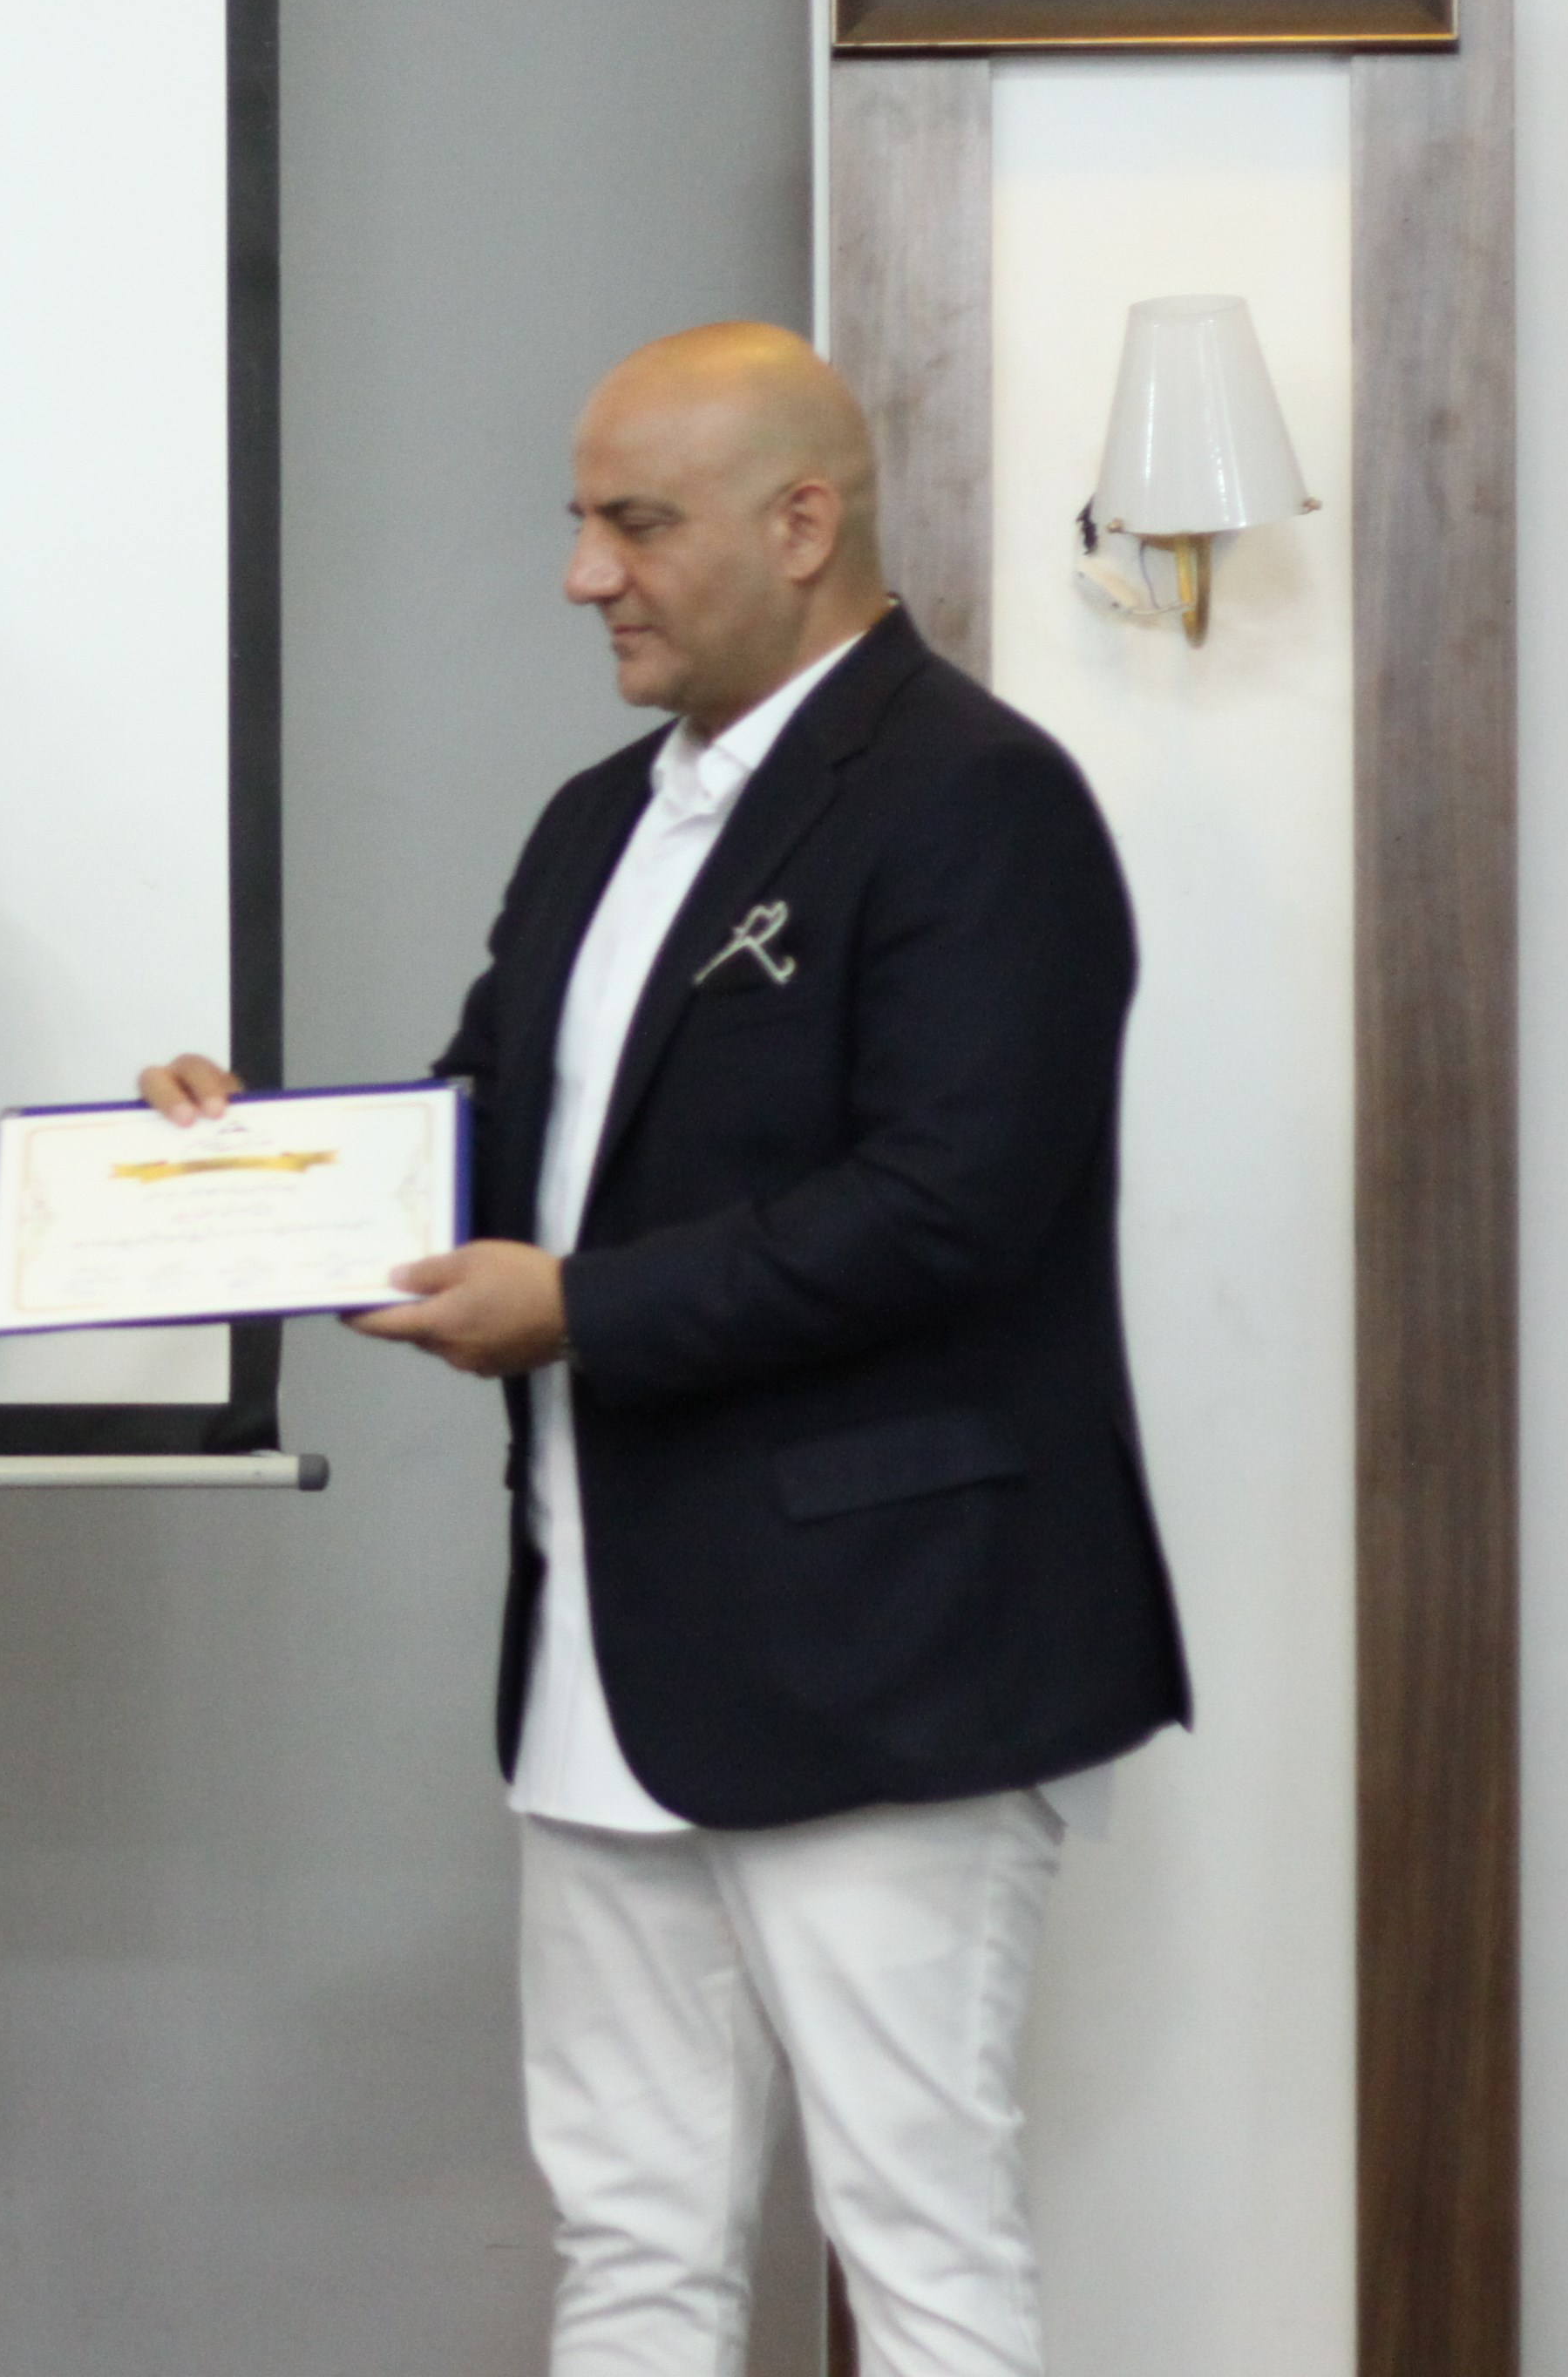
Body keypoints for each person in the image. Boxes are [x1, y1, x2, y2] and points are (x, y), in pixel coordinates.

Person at [145, 325, 1184, 2377]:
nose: (583, 575)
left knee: (920, 2246)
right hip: (603, 1673)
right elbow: (486, 1135)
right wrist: (246, 1162)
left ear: (802, 525)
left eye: (634, 524)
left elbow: (948, 1208)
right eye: (579, 523)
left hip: (886, 1664)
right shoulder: (592, 822)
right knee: (629, 2240)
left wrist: (578, 1309)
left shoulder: (980, 800)